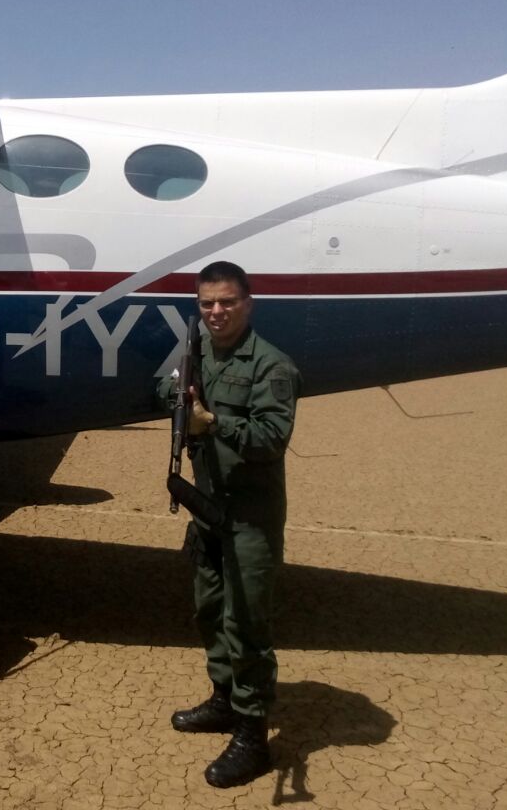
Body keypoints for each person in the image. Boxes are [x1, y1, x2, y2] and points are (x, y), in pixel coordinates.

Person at [158, 260, 301, 789]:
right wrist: (178, 397)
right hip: (207, 509)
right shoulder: (194, 350)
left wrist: (211, 421)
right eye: (206, 304)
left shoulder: (272, 366)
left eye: (226, 302)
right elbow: (161, 386)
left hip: (250, 517)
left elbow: (269, 439)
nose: (215, 312)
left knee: (247, 626)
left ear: (248, 304)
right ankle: (223, 699)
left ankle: (253, 735)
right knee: (209, 611)